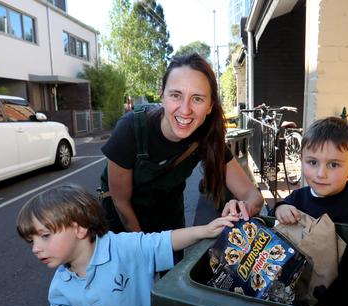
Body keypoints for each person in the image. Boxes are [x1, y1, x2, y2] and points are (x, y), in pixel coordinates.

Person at [16, 185, 239, 306]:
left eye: (44, 236)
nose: (36, 248)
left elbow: (164, 240)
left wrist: (204, 231)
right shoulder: (59, 288)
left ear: (79, 229)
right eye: (31, 241)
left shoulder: (124, 248)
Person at [100, 53, 263, 235]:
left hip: (170, 225)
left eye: (197, 98)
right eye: (176, 95)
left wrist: (242, 208)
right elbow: (121, 203)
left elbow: (253, 196)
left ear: (210, 106)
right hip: (124, 229)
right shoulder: (130, 129)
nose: (185, 110)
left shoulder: (206, 136)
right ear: (162, 95)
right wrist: (146, 251)